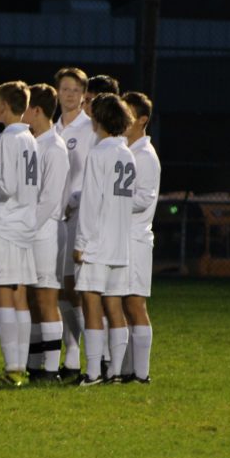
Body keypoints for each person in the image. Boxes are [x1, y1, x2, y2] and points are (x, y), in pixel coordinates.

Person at [73, 93, 136, 385]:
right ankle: (116, 372)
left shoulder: (99, 153)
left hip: (97, 243)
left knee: (92, 304)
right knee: (114, 307)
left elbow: (91, 203)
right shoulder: (128, 154)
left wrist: (81, 243)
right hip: (120, 244)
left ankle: (93, 371)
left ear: (98, 120)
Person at [0, 80, 39, 387]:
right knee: (19, 298)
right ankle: (20, 367)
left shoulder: (9, 140)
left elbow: (7, 188)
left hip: (5, 226)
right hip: (24, 226)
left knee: (4, 295)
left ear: (3, 105)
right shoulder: (30, 138)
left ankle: (13, 368)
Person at [23, 84, 69, 382]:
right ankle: (34, 364)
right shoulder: (34, 142)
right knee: (32, 299)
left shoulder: (55, 147)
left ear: (37, 111)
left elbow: (50, 199)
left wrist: (27, 229)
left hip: (44, 230)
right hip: (32, 229)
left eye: (25, 107)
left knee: (46, 298)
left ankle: (51, 369)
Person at [53, 67, 93, 381]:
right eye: (64, 89)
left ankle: (80, 354)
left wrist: (76, 199)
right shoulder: (52, 130)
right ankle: (70, 352)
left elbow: (94, 174)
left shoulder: (90, 129)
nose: (69, 94)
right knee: (61, 290)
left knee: (77, 288)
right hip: (55, 220)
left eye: (75, 90)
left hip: (80, 219)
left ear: (83, 94)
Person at [121, 91, 161, 383]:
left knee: (135, 305)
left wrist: (110, 201)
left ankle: (142, 374)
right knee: (122, 305)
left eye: (129, 114)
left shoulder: (145, 156)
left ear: (142, 120)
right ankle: (125, 371)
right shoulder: (125, 150)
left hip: (136, 239)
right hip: (121, 238)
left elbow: (143, 200)